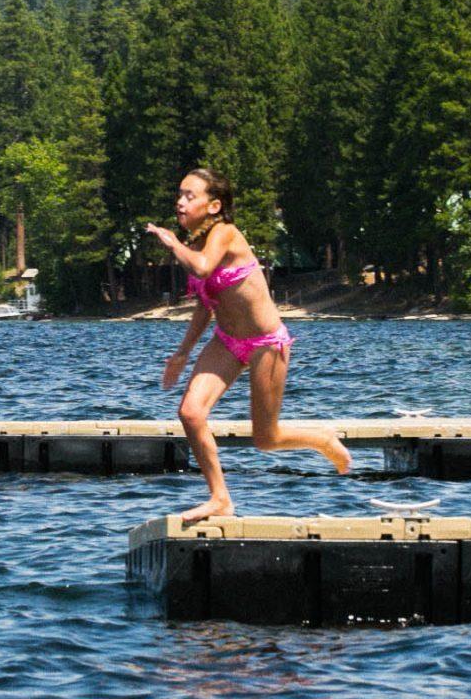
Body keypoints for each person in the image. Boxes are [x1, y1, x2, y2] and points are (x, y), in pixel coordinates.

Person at [144, 168, 348, 524]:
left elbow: (205, 269)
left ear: (214, 205)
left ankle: (322, 440)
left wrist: (173, 244)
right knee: (191, 413)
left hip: (265, 344)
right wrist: (183, 352)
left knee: (266, 439)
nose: (180, 201)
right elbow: (206, 303)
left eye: (190, 195)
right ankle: (219, 499)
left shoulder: (225, 233)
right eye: (179, 194)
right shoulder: (196, 244)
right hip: (226, 342)